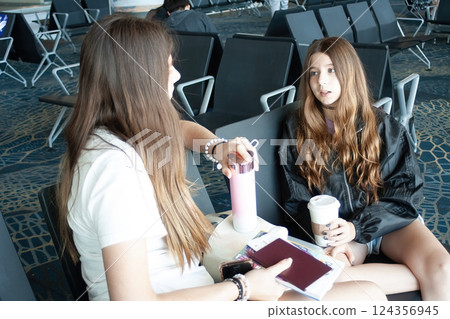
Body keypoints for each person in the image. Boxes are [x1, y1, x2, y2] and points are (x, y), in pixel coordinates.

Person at [57, 16, 385, 301]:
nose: (176, 76)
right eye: (166, 65)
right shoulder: (113, 171)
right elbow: (134, 304)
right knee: (368, 294)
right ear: (137, 79)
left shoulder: (120, 132)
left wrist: (217, 147)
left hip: (198, 287)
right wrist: (241, 288)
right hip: (199, 299)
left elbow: (181, 128)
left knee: (345, 283)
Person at [279, 37, 450, 301]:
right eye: (314, 73)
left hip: (388, 223)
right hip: (339, 234)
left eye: (331, 70)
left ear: (349, 72)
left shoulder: (383, 125)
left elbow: (405, 194)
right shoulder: (297, 129)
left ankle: (423, 273)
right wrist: (328, 233)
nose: (321, 81)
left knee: (443, 266)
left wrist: (357, 227)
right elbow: (297, 200)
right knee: (336, 277)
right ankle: (418, 274)